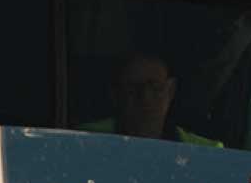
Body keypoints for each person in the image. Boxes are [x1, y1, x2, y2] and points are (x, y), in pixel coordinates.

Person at [82, 52, 221, 146]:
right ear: (115, 94)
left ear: (170, 91)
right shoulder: (86, 141)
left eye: (155, 87)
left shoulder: (206, 151)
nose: (145, 99)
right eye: (132, 88)